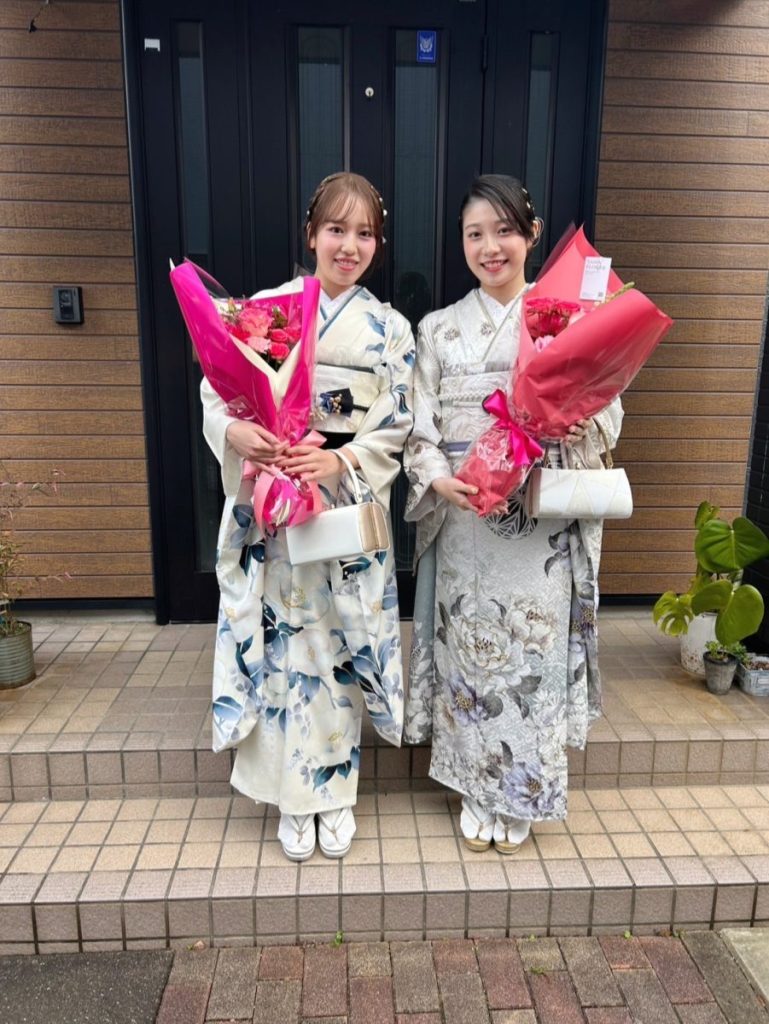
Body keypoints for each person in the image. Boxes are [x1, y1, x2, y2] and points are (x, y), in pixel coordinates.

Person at [403, 174, 622, 854]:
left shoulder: (565, 318)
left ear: (531, 235)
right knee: (471, 653)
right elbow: (417, 426)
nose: (489, 247)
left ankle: (521, 787)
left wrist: (571, 424)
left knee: (530, 652)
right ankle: (476, 785)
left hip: (537, 521)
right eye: (475, 234)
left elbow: (606, 412)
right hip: (467, 514)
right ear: (461, 243)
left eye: (503, 231)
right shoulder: (437, 329)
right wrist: (436, 478)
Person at [201, 172, 414, 861]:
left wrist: (340, 461)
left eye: (364, 234)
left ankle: (334, 791)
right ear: (310, 234)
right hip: (274, 502)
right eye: (335, 230)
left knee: (337, 646)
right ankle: (291, 799)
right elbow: (217, 392)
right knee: (281, 645)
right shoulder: (266, 310)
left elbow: (399, 423)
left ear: (377, 244)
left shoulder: (390, 329)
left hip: (339, 502)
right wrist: (235, 432)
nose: (349, 246)